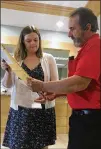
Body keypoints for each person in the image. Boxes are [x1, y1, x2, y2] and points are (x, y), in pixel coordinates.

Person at [26, 8, 101, 149]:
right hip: (84, 119)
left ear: (88, 27)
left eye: (72, 29)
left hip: (91, 121)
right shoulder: (86, 49)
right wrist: (58, 93)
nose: (69, 34)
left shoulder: (96, 46)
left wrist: (42, 86)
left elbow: (79, 83)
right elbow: (87, 85)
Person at [1, 26, 59, 149]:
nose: (33, 43)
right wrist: (8, 70)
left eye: (36, 40)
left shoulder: (49, 59)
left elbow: (55, 84)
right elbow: (7, 85)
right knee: (18, 145)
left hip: (42, 110)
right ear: (22, 42)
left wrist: (48, 97)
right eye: (28, 40)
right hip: (21, 111)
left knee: (41, 146)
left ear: (39, 40)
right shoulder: (15, 60)